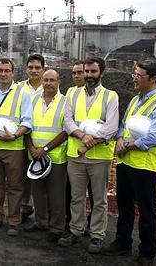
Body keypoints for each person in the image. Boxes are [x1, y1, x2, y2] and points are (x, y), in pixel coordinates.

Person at [105, 60, 156, 266]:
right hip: (127, 163)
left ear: (152, 79)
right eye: (134, 74)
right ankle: (123, 241)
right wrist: (119, 138)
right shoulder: (136, 100)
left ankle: (147, 252)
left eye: (138, 75)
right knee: (124, 206)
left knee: (146, 211)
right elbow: (125, 124)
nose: (134, 78)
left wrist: (128, 146)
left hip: (145, 166)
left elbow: (154, 137)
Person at [59, 57, 119, 254]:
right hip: (75, 156)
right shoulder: (72, 93)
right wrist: (83, 136)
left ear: (101, 73)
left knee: (99, 199)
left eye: (93, 72)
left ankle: (97, 235)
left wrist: (89, 142)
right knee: (76, 197)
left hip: (99, 158)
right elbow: (67, 121)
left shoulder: (111, 96)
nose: (89, 75)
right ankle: (76, 230)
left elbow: (111, 127)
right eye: (86, 71)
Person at [0, 58, 33, 237]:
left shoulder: (22, 94)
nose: (3, 74)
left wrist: (14, 135)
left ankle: (14, 220)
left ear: (13, 73)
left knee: (15, 186)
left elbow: (28, 122)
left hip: (14, 148)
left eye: (7, 70)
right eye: (0, 70)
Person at [23, 69, 68, 243]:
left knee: (56, 194)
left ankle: (56, 227)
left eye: (52, 80)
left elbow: (66, 131)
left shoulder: (66, 102)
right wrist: (32, 148)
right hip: (34, 156)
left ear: (58, 82)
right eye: (46, 80)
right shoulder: (33, 100)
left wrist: (46, 149)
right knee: (38, 192)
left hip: (55, 157)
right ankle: (41, 221)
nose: (48, 83)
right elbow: (26, 125)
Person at [65, 61, 94, 233]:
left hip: (95, 152)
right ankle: (73, 224)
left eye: (80, 72)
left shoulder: (100, 95)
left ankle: (92, 226)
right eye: (74, 73)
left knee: (95, 195)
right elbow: (67, 120)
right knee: (73, 194)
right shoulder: (70, 92)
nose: (77, 76)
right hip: (74, 151)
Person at [17, 53, 45, 222]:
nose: (34, 71)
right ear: (26, 69)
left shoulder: (50, 86)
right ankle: (25, 207)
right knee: (22, 177)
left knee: (42, 178)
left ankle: (43, 213)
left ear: (43, 69)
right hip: (21, 140)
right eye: (31, 67)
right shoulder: (19, 88)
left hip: (42, 142)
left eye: (37, 68)